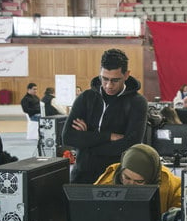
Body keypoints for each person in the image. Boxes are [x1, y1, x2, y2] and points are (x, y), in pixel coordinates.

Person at [63, 48, 148, 184]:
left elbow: (130, 144)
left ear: (126, 75)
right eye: (105, 79)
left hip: (115, 178)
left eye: (115, 80)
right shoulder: (86, 98)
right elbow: (68, 137)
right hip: (81, 176)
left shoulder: (137, 102)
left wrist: (86, 143)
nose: (109, 85)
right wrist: (108, 137)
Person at [95, 144, 181, 214]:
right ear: (121, 173)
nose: (131, 185)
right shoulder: (107, 182)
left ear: (151, 178)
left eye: (139, 181)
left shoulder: (173, 187)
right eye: (127, 178)